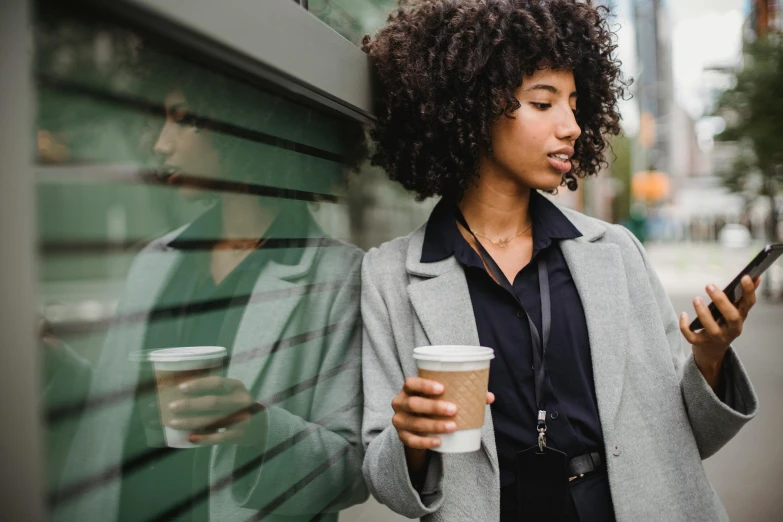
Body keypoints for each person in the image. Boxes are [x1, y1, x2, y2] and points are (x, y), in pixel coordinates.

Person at [359, 1, 759, 521]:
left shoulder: (615, 253)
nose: (571, 125)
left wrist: (709, 357)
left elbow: (688, 438)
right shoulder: (390, 276)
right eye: (543, 103)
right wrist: (410, 439)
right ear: (474, 108)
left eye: (574, 103)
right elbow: (385, 477)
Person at [51, 49, 367, 522]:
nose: (160, 144)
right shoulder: (155, 262)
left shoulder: (338, 278)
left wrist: (259, 429)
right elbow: (115, 420)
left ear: (241, 125)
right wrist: (52, 361)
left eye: (181, 121)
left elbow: (354, 471)